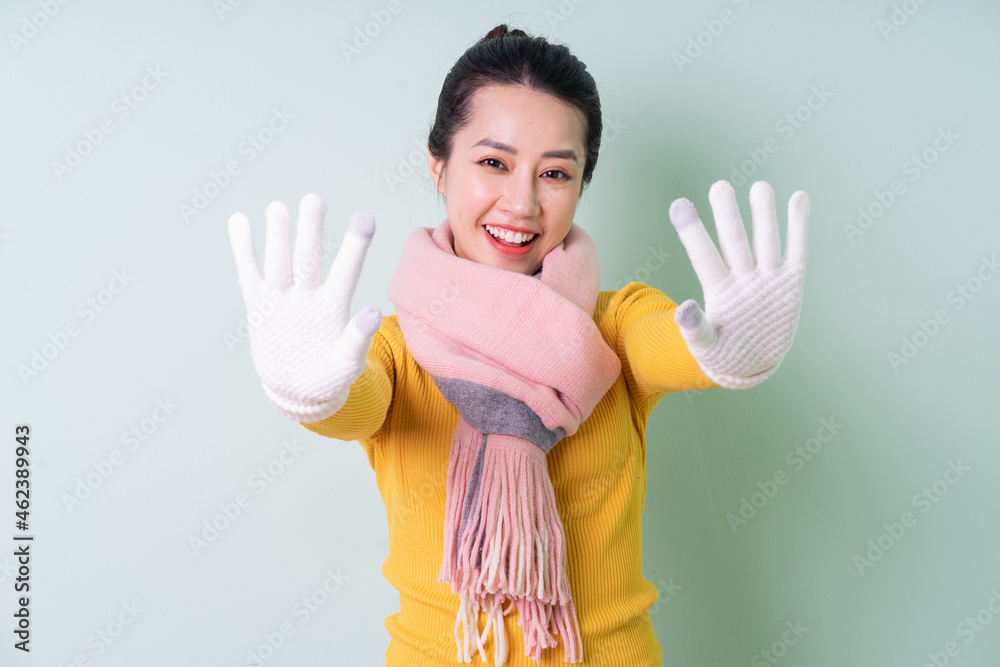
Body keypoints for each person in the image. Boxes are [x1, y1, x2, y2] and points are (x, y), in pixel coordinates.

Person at [227, 24, 809, 667]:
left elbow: (669, 344)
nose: (522, 202)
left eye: (555, 172)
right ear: (438, 165)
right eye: (493, 163)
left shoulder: (613, 326)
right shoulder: (390, 350)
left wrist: (725, 351)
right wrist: (308, 391)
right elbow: (353, 402)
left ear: (582, 184)